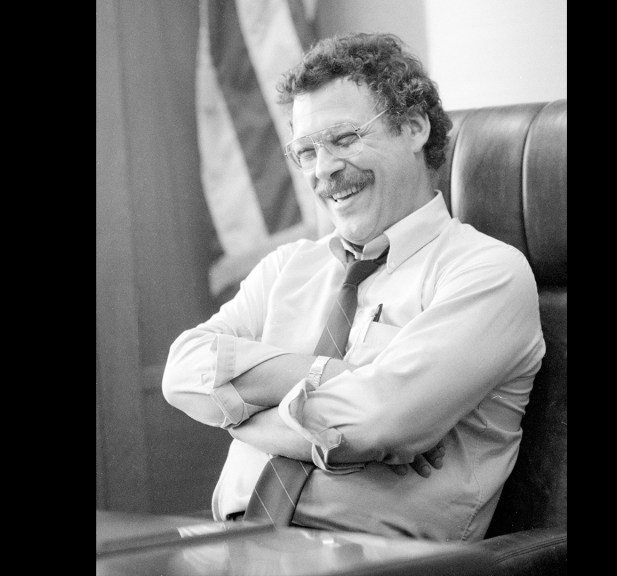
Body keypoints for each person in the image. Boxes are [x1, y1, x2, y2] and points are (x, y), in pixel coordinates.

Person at [162, 32, 544, 542]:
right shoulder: (286, 267)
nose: (325, 171)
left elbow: (375, 422)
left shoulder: (486, 272)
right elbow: (182, 371)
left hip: (377, 561)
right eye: (307, 151)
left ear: (413, 127)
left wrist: (237, 418)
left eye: (344, 139)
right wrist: (331, 374)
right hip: (228, 543)